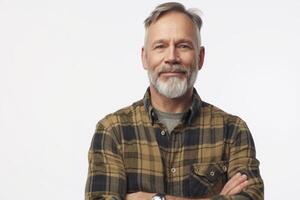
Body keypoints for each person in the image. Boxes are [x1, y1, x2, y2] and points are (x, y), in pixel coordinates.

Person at [85, 2, 264, 200]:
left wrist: (156, 199)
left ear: (200, 57)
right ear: (144, 57)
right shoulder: (113, 131)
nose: (172, 57)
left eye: (183, 46)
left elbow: (250, 197)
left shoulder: (232, 130)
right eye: (160, 46)